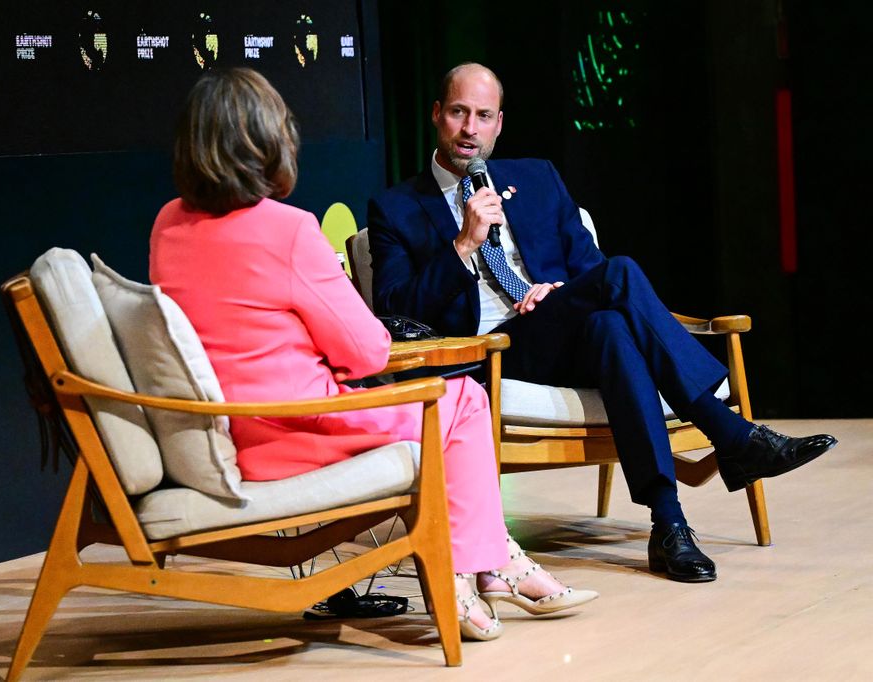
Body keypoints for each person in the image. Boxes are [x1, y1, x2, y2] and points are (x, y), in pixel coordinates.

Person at [149, 67, 597, 641]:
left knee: (451, 399)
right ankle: (476, 568)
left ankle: (490, 561)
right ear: (269, 143)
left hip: (223, 431)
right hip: (297, 430)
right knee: (459, 400)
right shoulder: (289, 230)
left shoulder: (166, 224)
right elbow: (368, 351)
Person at [366, 62, 838, 583]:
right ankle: (730, 434)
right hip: (489, 351)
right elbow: (394, 311)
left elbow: (591, 270)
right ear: (437, 115)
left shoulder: (537, 178)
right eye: (458, 112)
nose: (469, 129)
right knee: (623, 277)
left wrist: (562, 293)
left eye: (482, 115)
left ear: (499, 123)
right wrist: (462, 245)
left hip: (557, 330)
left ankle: (670, 525)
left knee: (612, 324)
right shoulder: (397, 207)